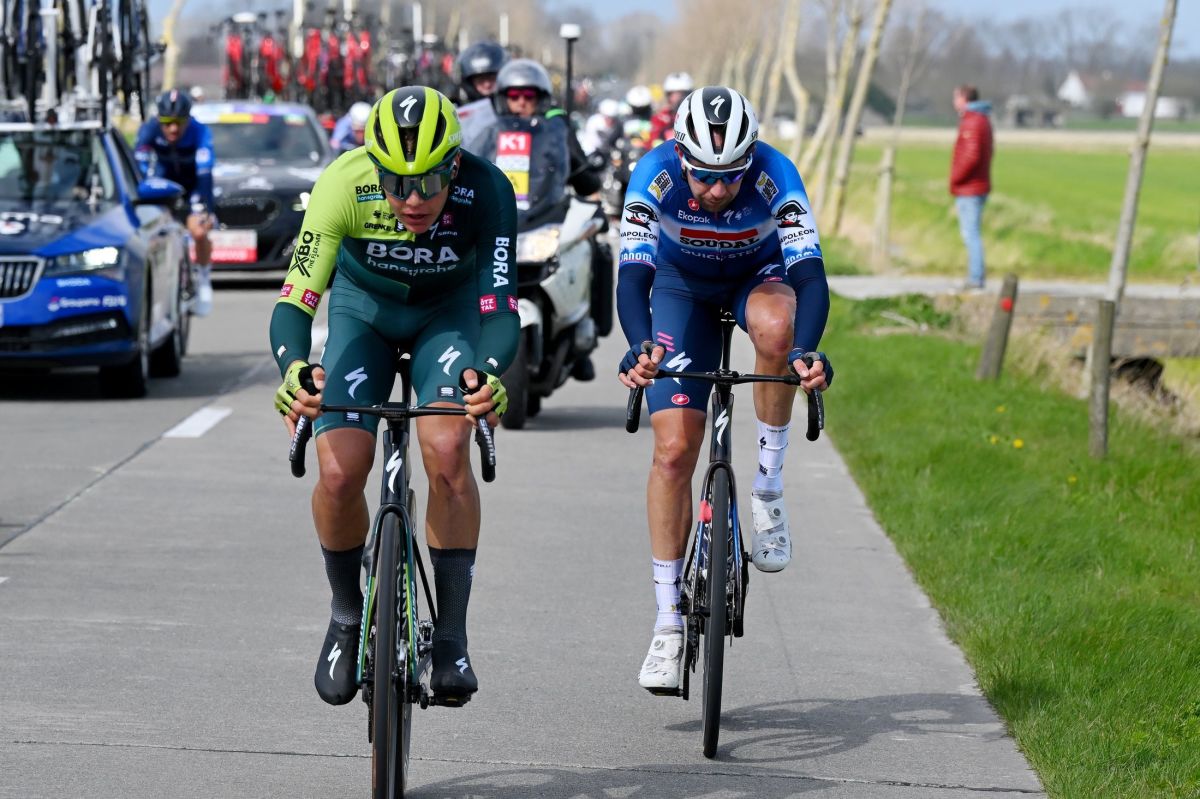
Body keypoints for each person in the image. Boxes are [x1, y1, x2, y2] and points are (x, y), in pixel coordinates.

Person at [270, 86, 518, 706]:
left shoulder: (488, 190)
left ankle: (451, 636)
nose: (412, 200)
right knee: (338, 472)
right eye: (396, 183)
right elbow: (295, 299)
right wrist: (294, 368)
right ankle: (345, 613)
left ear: (453, 166)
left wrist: (490, 372)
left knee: (448, 450)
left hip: (448, 316)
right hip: (364, 314)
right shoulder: (341, 183)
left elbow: (499, 307)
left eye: (429, 183)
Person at [616, 87, 832, 693]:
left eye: (730, 177)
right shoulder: (653, 175)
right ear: (681, 156)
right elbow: (632, 276)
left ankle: (767, 488)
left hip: (757, 277)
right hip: (680, 286)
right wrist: (639, 345)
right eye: (704, 177)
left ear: (750, 160)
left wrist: (805, 351)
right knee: (673, 452)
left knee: (779, 330)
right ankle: (667, 624)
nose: (716, 190)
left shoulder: (776, 175)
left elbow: (810, 276)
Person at [135, 89, 216, 317]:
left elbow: (205, 174)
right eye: (167, 122)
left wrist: (206, 208)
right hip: (163, 184)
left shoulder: (200, 132)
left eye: (179, 122)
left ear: (188, 119)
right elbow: (138, 167)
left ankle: (203, 278)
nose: (173, 128)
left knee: (199, 231)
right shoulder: (149, 129)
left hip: (193, 186)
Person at [490, 58, 602, 198]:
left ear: (540, 98)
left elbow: (587, 184)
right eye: (514, 96)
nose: (521, 102)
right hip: (497, 205)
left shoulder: (555, 130)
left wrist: (573, 159)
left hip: (545, 208)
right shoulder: (491, 131)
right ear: (503, 99)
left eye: (529, 96)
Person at [950, 84, 993, 290]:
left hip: (970, 187)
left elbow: (971, 156)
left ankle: (976, 277)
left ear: (964, 98)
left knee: (970, 233)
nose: (954, 102)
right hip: (977, 184)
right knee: (971, 232)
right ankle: (975, 275)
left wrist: (955, 178)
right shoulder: (982, 119)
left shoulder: (972, 121)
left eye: (956, 97)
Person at [456, 41, 509, 155]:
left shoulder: (512, 106)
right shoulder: (459, 113)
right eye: (480, 79)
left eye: (491, 78)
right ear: (469, 82)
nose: (487, 84)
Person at [648, 72, 693, 144]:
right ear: (668, 96)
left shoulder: (695, 116)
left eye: (682, 94)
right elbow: (651, 142)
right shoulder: (660, 118)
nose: (678, 98)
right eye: (673, 94)